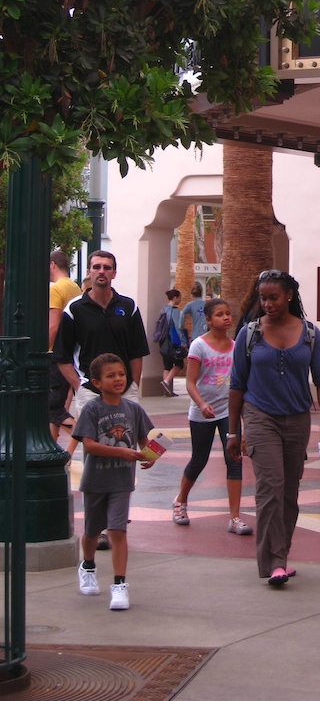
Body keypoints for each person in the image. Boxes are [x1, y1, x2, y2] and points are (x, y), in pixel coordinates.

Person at [228, 269, 320, 587]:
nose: (268, 304)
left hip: (297, 418)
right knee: (270, 489)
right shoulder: (250, 335)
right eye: (263, 298)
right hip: (260, 416)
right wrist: (234, 432)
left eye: (273, 297)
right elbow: (236, 386)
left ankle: (282, 555)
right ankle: (273, 562)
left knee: (289, 493)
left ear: (288, 295)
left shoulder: (310, 335)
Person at [72, 352, 153, 611]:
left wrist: (150, 455)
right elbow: (89, 445)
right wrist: (123, 452)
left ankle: (119, 585)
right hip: (95, 481)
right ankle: (87, 565)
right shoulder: (92, 409)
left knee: (118, 530)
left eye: (121, 374)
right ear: (96, 382)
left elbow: (144, 439)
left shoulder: (134, 409)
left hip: (122, 481)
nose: (118, 379)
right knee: (93, 532)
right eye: (111, 376)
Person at [171, 296, 252, 533]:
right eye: (219, 314)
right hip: (203, 412)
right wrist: (201, 403)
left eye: (228, 313)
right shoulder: (199, 345)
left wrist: (244, 424)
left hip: (229, 410)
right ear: (208, 319)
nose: (226, 317)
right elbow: (190, 383)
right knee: (199, 459)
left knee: (234, 460)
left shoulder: (236, 345)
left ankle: (235, 517)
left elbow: (241, 385)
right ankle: (181, 501)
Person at [52, 250, 149, 418]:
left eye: (107, 267)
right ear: (89, 272)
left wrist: (133, 385)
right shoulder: (75, 309)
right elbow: (62, 356)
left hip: (124, 391)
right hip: (90, 391)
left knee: (126, 440)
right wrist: (79, 387)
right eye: (96, 267)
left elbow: (137, 352)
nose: (101, 271)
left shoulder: (128, 307)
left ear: (114, 273)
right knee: (92, 442)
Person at [48, 250, 81, 439]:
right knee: (57, 407)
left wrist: (44, 351)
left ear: (53, 265)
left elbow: (54, 325)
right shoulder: (74, 287)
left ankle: (88, 437)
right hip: (71, 353)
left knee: (53, 408)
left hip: (55, 355)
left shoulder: (55, 289)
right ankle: (54, 449)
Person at [159, 288, 186, 396]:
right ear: (175, 298)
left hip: (163, 340)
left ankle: (167, 390)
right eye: (179, 298)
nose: (180, 300)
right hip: (172, 340)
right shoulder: (174, 310)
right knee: (179, 363)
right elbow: (178, 327)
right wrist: (183, 341)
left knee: (167, 365)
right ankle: (166, 382)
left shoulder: (163, 309)